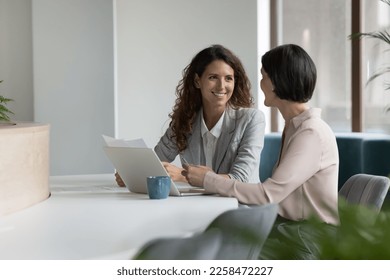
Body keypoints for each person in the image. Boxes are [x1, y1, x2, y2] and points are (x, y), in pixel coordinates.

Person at [182, 44, 339, 226]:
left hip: (306, 238)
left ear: (278, 82)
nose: (261, 83)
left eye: (264, 76)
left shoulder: (311, 133)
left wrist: (208, 179)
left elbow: (268, 195)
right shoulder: (295, 127)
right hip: (287, 229)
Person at [116, 44, 265, 186]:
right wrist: (133, 173)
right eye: (213, 77)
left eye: (228, 78)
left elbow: (240, 180)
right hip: (199, 206)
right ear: (197, 81)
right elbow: (156, 162)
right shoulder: (185, 121)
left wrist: (182, 176)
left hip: (241, 208)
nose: (221, 86)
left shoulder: (252, 120)